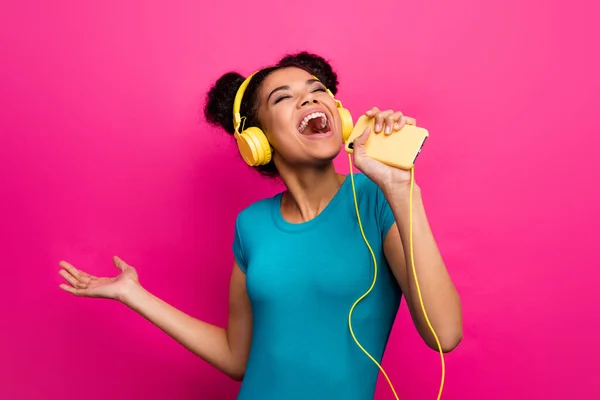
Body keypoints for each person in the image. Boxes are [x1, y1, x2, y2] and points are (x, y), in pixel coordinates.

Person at [58, 51, 463, 399]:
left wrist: (401, 188)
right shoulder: (250, 225)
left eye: (317, 90)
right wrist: (134, 295)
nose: (309, 98)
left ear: (338, 115)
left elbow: (443, 334)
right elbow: (237, 357)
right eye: (284, 98)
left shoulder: (376, 198)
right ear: (258, 140)